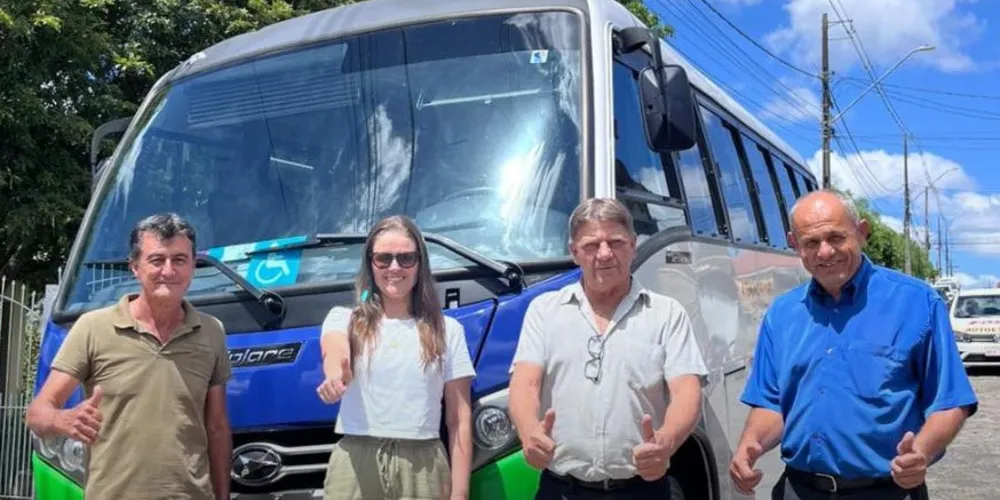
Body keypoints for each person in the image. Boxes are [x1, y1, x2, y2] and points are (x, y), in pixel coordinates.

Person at [730, 189, 978, 499]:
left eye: (836, 237)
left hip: (888, 491)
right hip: (798, 490)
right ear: (795, 245)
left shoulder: (917, 303)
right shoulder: (782, 314)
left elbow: (950, 400)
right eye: (811, 243)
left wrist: (921, 453)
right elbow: (772, 404)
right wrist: (749, 445)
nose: (825, 252)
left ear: (861, 232)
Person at [508, 197, 708, 499]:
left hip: (644, 490)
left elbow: (687, 392)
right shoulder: (544, 311)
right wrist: (528, 432)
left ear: (633, 245)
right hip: (562, 490)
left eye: (615, 242)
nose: (604, 254)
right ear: (574, 252)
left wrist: (665, 442)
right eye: (591, 245)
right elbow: (525, 383)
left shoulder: (667, 313)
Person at [26, 213, 232, 500]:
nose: (169, 271)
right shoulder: (93, 328)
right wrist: (63, 420)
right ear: (135, 267)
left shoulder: (212, 332)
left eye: (180, 260)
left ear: (193, 266)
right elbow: (37, 414)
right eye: (157, 260)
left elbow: (217, 426)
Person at [316, 214, 476, 500]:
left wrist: (460, 494)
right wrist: (335, 376)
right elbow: (334, 349)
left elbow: (459, 419)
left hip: (423, 465)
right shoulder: (344, 319)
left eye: (405, 259)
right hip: (355, 461)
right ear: (371, 264)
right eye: (383, 258)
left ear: (419, 265)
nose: (394, 267)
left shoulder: (448, 330)